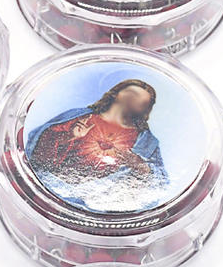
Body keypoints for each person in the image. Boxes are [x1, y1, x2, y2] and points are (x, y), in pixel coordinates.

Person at [26, 79, 168, 211]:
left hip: (100, 203)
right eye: (132, 94)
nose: (136, 100)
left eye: (143, 101)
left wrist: (140, 166)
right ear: (115, 94)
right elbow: (38, 152)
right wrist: (68, 136)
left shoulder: (146, 140)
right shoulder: (79, 117)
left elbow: (159, 182)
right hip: (52, 188)